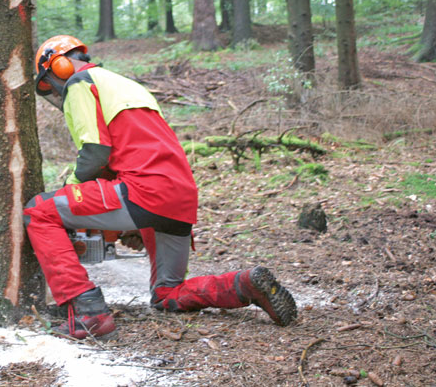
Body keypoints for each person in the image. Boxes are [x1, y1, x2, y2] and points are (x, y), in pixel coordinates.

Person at [24, 35, 297, 340]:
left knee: (40, 211)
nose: (56, 92)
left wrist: (69, 189)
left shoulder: (80, 82)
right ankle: (243, 285)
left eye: (52, 82)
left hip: (144, 191)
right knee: (168, 293)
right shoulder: (125, 85)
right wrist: (132, 224)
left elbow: (94, 153)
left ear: (58, 66)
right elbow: (133, 150)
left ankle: (87, 311)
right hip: (179, 197)